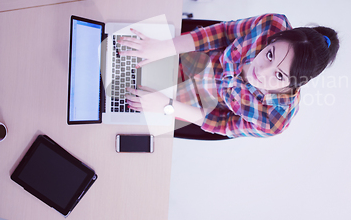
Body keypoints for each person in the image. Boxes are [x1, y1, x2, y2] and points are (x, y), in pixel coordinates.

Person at [118, 14, 339, 140]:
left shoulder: (275, 119)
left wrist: (167, 106)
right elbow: (223, 33)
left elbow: (222, 123)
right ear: (273, 40)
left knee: (115, 107)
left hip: (185, 103)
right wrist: (163, 48)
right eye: (270, 54)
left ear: (296, 84)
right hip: (187, 57)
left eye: (279, 75)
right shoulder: (271, 25)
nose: (261, 71)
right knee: (117, 52)